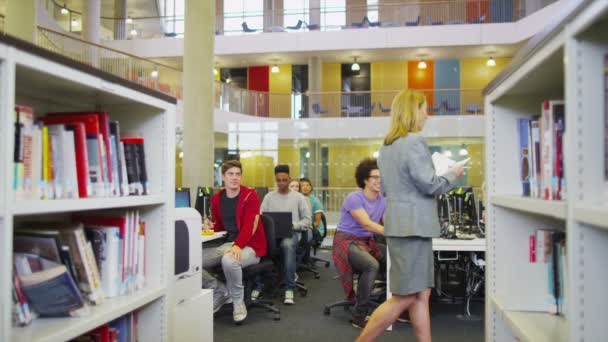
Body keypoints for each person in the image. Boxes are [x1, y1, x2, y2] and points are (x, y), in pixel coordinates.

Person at [358, 90, 465, 342]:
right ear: (411, 110)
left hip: (402, 226)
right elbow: (430, 185)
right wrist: (452, 174)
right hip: (413, 228)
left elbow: (391, 187)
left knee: (421, 293)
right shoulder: (414, 141)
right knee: (405, 295)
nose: (426, 115)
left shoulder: (388, 146)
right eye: (423, 109)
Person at [202, 160, 267, 324]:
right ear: (223, 176)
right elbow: (220, 225)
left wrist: (238, 245)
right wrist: (209, 226)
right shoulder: (217, 198)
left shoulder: (250, 195)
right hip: (229, 244)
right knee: (190, 261)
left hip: (252, 246)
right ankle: (221, 291)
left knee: (229, 260)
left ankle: (238, 302)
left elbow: (249, 226)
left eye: (238, 174)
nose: (234, 177)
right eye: (230, 174)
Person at [332, 158, 386, 329]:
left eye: (381, 177)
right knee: (371, 265)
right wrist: (394, 232)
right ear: (365, 180)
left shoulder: (382, 200)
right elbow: (367, 224)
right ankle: (359, 315)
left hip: (366, 242)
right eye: (375, 177)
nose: (379, 180)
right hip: (346, 241)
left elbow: (385, 224)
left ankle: (390, 305)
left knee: (394, 258)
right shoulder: (354, 198)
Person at [256, 164, 311, 305]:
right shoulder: (269, 197)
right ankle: (258, 285)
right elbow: (260, 217)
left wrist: (294, 225)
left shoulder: (298, 197)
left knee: (287, 244)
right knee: (256, 244)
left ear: (289, 179)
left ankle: (289, 287)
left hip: (291, 233)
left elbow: (307, 220)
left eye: (284, 180)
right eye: (278, 180)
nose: (281, 183)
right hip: (272, 235)